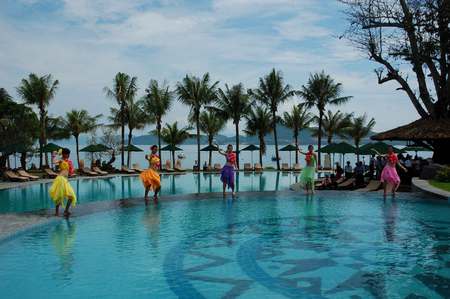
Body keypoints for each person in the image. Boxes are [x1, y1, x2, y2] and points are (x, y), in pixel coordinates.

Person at [49, 148, 77, 217]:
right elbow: (54, 162)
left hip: (65, 180)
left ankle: (66, 211)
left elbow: (70, 172)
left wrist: (71, 170)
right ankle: (57, 212)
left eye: (68, 154)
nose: (68, 155)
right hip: (60, 179)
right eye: (67, 154)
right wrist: (55, 154)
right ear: (64, 154)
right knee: (59, 196)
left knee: (71, 196)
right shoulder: (60, 160)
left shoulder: (69, 161)